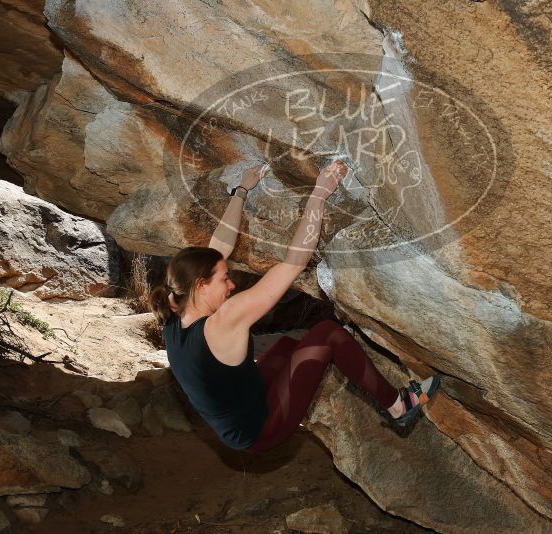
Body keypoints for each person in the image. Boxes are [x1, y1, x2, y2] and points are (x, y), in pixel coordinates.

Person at [148, 160, 441, 453]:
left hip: (239, 406)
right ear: (201, 286)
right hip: (258, 431)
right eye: (225, 279)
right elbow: (294, 264)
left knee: (290, 346)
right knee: (327, 334)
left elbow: (215, 251)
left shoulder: (175, 309)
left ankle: (309, 388)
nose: (231, 285)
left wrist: (241, 191)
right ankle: (399, 406)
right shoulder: (223, 322)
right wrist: (319, 194)